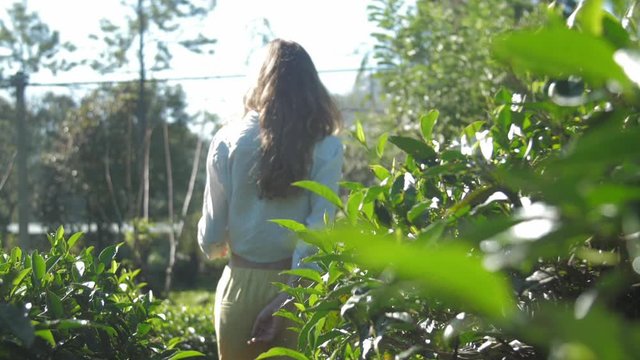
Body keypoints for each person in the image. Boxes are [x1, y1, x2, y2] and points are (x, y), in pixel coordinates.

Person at [197, 39, 343, 360]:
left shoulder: (228, 139)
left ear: (260, 80)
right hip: (299, 291)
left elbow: (210, 237)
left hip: (238, 285)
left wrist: (218, 245)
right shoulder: (327, 147)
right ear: (311, 84)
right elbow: (317, 232)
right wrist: (288, 300)